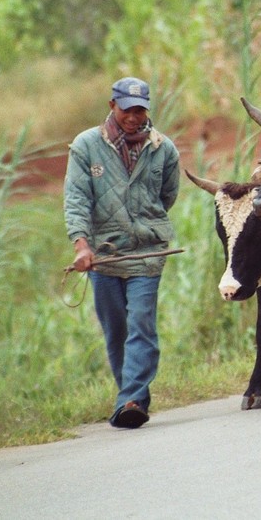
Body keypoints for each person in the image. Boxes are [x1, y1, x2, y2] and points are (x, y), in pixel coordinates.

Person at [64, 77, 180, 429]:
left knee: (141, 324)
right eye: (127, 109)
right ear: (112, 105)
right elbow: (76, 199)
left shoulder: (164, 149)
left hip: (147, 253)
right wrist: (82, 244)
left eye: (140, 109)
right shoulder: (86, 146)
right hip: (104, 256)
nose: (134, 116)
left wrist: (145, 224)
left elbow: (167, 196)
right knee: (116, 330)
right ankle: (131, 395)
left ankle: (131, 399)